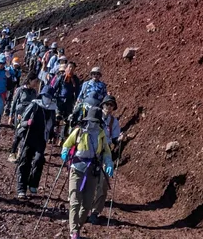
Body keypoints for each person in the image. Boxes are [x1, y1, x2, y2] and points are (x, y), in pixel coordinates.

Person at [61, 107, 112, 239]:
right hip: (77, 168)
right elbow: (67, 144)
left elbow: (106, 151)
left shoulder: (101, 134)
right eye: (91, 121)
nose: (93, 124)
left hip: (92, 171)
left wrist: (109, 163)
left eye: (95, 121)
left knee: (87, 204)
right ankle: (73, 231)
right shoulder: (79, 131)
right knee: (75, 200)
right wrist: (65, 152)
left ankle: (77, 227)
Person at [13, 88, 58, 198]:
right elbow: (22, 121)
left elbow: (51, 126)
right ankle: (21, 188)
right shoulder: (34, 105)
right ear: (42, 95)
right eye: (46, 96)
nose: (47, 99)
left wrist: (53, 133)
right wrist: (27, 123)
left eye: (49, 97)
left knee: (39, 160)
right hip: (29, 136)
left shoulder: (52, 109)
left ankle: (33, 183)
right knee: (25, 160)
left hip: (41, 138)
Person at [90, 96, 122, 218]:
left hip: (105, 151)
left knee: (103, 182)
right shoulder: (93, 116)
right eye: (107, 104)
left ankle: (96, 211)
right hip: (90, 151)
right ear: (102, 105)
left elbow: (114, 139)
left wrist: (119, 139)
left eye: (111, 105)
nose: (108, 107)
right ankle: (84, 205)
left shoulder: (114, 121)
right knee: (88, 179)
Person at [7, 75, 42, 159]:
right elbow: (14, 102)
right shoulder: (20, 90)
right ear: (29, 80)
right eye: (35, 81)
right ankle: (12, 153)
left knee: (25, 134)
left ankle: (20, 153)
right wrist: (10, 115)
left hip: (29, 116)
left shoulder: (34, 92)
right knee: (18, 133)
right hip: (19, 114)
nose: (36, 83)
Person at [49, 60, 81, 143]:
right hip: (60, 100)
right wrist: (51, 96)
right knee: (57, 118)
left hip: (69, 102)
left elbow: (77, 91)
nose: (71, 69)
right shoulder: (61, 77)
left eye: (73, 68)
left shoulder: (75, 79)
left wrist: (77, 100)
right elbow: (55, 87)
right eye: (69, 67)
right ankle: (52, 136)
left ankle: (61, 138)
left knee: (66, 120)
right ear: (67, 67)